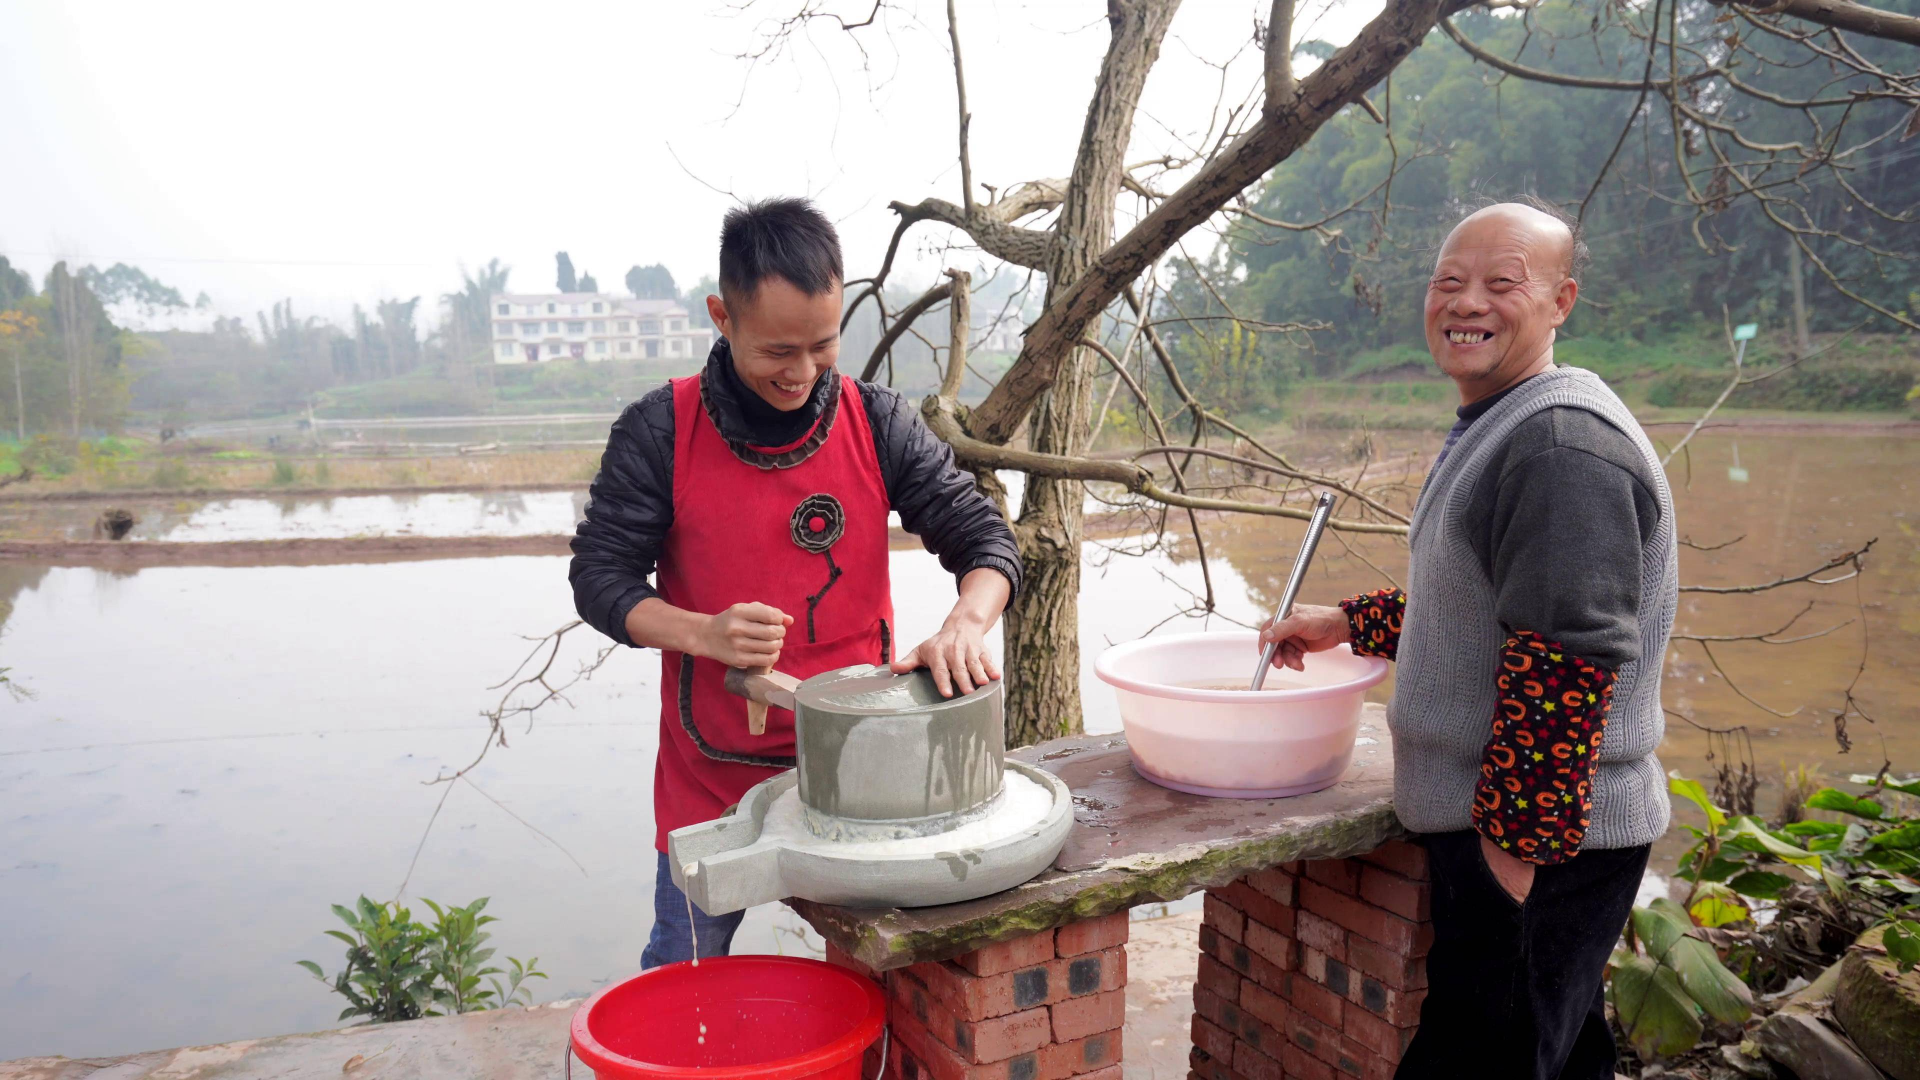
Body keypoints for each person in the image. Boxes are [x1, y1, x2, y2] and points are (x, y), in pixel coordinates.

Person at [1260, 200, 1676, 1080]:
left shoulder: (1560, 446)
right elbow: (1494, 608)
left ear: (1561, 300)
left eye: (1501, 284)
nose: (1467, 303)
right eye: (1449, 282)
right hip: (1536, 837)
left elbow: (1569, 659)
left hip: (1548, 843)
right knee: (1555, 1053)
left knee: (1483, 1060)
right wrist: (1349, 624)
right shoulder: (1508, 420)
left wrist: (1507, 870)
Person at [569, 197, 1022, 969]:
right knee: (687, 974)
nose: (803, 372)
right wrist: (701, 633)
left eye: (824, 344)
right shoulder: (660, 430)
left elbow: (984, 540)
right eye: (778, 351)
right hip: (711, 777)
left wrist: (967, 622)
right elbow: (598, 577)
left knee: (888, 974)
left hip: (868, 773)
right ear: (722, 316)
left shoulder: (877, 420)